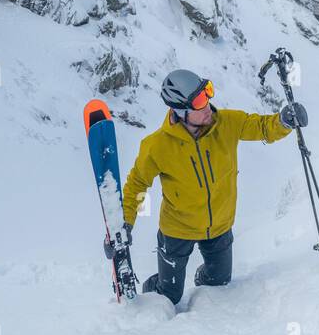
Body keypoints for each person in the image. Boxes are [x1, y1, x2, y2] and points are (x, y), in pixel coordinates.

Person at [120, 69, 308, 305]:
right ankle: (155, 286)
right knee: (170, 296)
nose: (208, 105)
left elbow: (260, 127)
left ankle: (200, 281)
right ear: (181, 111)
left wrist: (283, 121)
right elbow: (136, 184)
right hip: (177, 231)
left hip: (219, 226)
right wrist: (126, 222)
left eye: (207, 94)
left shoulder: (227, 123)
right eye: (199, 101)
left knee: (219, 284)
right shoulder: (156, 146)